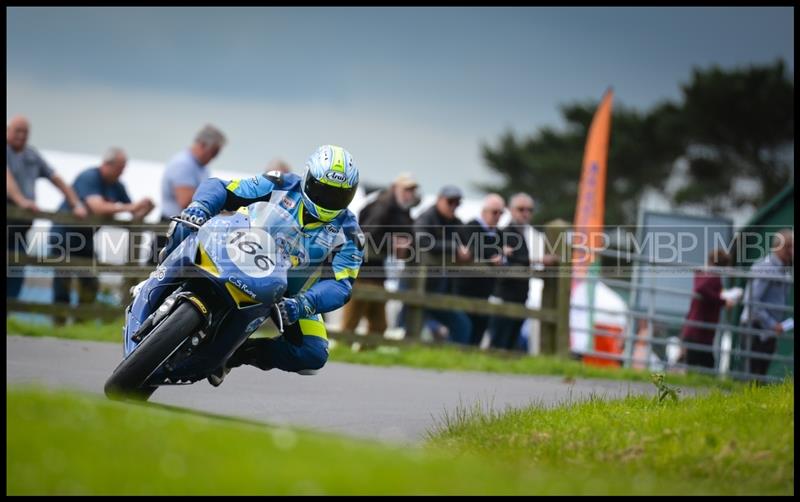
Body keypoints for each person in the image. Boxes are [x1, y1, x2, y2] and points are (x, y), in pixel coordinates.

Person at [163, 145, 363, 386]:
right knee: (186, 224)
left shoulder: (350, 233)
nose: (329, 200)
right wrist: (201, 206)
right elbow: (222, 187)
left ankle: (236, 354)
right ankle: (159, 278)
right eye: (323, 190)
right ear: (308, 177)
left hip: (287, 291)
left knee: (314, 353)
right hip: (236, 250)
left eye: (338, 195)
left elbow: (341, 284)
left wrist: (304, 303)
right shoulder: (279, 183)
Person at [50, 148, 155, 307]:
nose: (121, 173)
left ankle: (81, 322)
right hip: (64, 235)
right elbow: (97, 207)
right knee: (63, 283)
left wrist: (147, 207)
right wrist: (131, 207)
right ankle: (60, 322)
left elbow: (134, 213)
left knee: (90, 282)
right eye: (120, 168)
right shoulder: (89, 177)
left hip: (85, 239)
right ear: (107, 164)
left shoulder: (117, 185)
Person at [6, 115, 88, 298]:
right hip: (12, 211)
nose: (21, 135)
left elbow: (55, 178)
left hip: (20, 225)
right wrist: (21, 201)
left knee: (16, 269)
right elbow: (7, 179)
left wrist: (76, 203)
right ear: (7, 131)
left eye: (25, 132)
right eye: (17, 131)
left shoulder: (31, 155)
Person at [341, 172, 419, 335]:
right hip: (362, 270)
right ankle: (344, 349)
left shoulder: (401, 210)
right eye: (406, 189)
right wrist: (393, 243)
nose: (410, 194)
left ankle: (363, 352)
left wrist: (405, 243)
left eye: (412, 190)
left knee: (378, 326)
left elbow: (410, 234)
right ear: (395, 188)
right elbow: (368, 234)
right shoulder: (381, 206)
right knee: (351, 322)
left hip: (377, 271)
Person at [489, 193, 558, 351]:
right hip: (504, 296)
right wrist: (538, 260)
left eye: (529, 210)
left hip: (521, 296)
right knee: (499, 341)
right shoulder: (504, 233)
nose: (525, 213)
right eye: (521, 209)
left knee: (512, 342)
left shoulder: (529, 234)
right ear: (511, 210)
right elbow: (512, 259)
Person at [154, 124, 226, 263]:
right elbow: (185, 200)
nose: (215, 157)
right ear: (203, 145)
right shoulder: (184, 164)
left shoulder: (200, 166)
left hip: (185, 227)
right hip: (171, 228)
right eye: (214, 151)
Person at [413, 185, 472, 344]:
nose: (454, 206)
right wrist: (454, 248)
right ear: (439, 200)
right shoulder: (426, 217)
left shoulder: (456, 222)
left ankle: (453, 359)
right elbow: (423, 241)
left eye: (457, 203)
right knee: (410, 328)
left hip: (440, 288)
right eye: (450, 201)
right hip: (416, 286)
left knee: (462, 324)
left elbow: (469, 243)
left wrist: (468, 251)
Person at [453, 193, 506, 346]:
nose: (497, 216)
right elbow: (473, 247)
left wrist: (497, 255)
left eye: (500, 212)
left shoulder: (500, 234)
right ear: (484, 211)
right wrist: (493, 255)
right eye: (494, 212)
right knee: (463, 328)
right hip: (465, 289)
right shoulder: (470, 227)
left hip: (486, 291)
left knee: (479, 328)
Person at [739, 229, 793, 377]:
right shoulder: (766, 268)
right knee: (751, 374)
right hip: (756, 327)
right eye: (790, 247)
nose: (792, 252)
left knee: (760, 374)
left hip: (769, 330)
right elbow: (751, 300)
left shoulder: (784, 270)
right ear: (780, 247)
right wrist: (771, 323)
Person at [679, 249, 735, 371]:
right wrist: (723, 301)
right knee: (706, 367)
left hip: (695, 328)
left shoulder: (703, 274)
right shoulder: (714, 277)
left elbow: (702, 288)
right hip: (700, 330)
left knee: (696, 366)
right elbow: (701, 289)